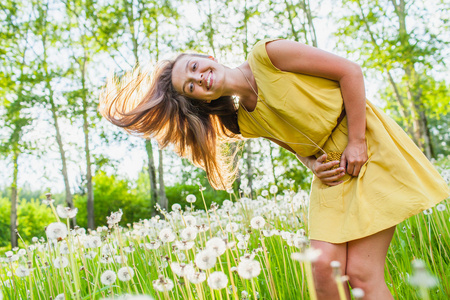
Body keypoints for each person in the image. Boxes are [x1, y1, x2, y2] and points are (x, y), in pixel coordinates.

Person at [99, 38, 449, 299]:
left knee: (360, 272)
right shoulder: (243, 121)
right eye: (191, 88)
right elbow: (293, 143)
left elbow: (349, 72)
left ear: (207, 57)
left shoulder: (268, 55)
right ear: (201, 100)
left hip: (366, 145)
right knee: (323, 268)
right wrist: (312, 163)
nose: (200, 79)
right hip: (332, 172)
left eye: (194, 68)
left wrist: (356, 140)